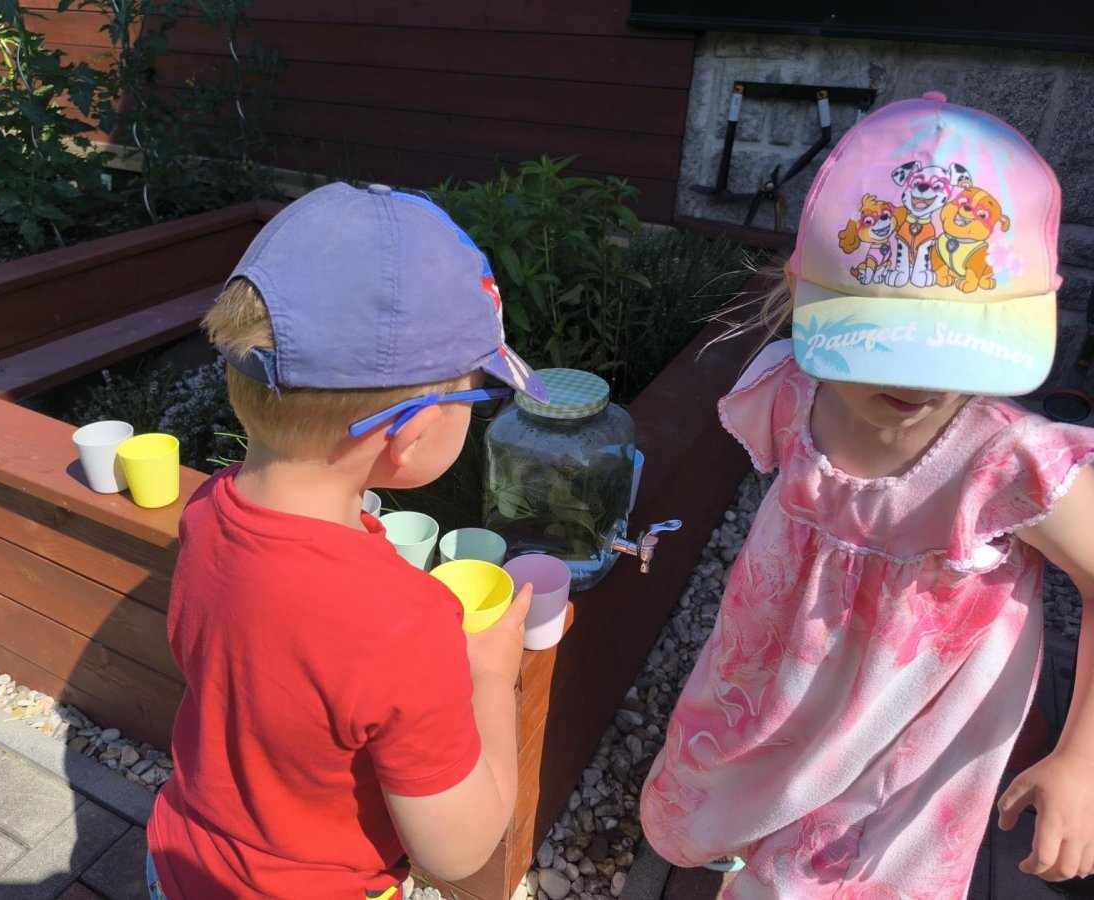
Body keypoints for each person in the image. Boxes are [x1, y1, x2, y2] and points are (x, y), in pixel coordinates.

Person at [640, 92, 1094, 898]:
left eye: (953, 352)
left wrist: (1083, 760)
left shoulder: (1003, 461)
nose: (918, 382)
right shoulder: (791, 392)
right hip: (773, 697)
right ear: (801, 289)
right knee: (725, 821)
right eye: (883, 343)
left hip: (897, 744)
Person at [145, 182, 550, 900]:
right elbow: (458, 851)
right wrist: (489, 675)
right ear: (412, 434)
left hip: (179, 863)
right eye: (477, 395)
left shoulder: (209, 510)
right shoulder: (405, 624)